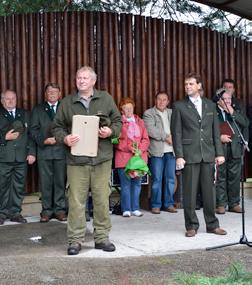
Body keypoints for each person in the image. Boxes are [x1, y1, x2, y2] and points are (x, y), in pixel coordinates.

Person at [52, 66, 121, 255]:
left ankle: (101, 238)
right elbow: (56, 127)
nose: (81, 81)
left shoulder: (105, 99)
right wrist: (64, 138)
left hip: (101, 159)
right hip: (76, 160)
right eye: (78, 78)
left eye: (85, 78)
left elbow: (118, 122)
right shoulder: (66, 103)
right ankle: (75, 240)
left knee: (101, 199)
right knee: (76, 202)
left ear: (93, 81)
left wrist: (110, 132)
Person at [171, 73, 227, 237]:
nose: (187, 86)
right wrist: (179, 155)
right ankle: (191, 225)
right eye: (186, 84)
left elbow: (215, 131)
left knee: (210, 192)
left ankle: (212, 225)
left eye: (191, 84)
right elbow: (176, 133)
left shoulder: (210, 105)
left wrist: (219, 152)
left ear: (199, 86)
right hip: (189, 154)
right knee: (189, 193)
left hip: (208, 154)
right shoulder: (179, 106)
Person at [30, 83, 67, 223]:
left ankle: (60, 210)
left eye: (55, 91)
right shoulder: (38, 109)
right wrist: (44, 140)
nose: (52, 94)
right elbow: (32, 130)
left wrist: (61, 138)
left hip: (61, 151)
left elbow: (70, 126)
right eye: (49, 91)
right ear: (46, 94)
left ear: (59, 94)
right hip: (44, 152)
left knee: (59, 182)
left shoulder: (65, 107)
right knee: (45, 183)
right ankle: (46, 211)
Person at [0, 90, 36, 225]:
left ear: (16, 99)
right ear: (2, 101)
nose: (10, 101)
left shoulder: (25, 114)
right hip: (4, 158)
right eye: (7, 99)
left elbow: (31, 135)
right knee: (2, 186)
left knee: (19, 186)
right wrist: (4, 138)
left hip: (21, 157)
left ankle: (15, 213)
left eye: (13, 98)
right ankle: (2, 213)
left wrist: (32, 152)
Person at [215, 88, 249, 214]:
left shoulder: (236, 110)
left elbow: (245, 123)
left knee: (234, 177)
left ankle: (234, 203)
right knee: (220, 176)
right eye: (225, 99)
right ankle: (221, 204)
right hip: (220, 148)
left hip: (235, 148)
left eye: (230, 99)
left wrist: (232, 112)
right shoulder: (212, 112)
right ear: (219, 101)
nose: (228, 101)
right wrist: (219, 137)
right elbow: (207, 129)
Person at [114, 97, 150, 218]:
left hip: (138, 159)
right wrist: (130, 147)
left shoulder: (140, 121)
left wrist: (140, 149)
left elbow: (146, 139)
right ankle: (126, 209)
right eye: (126, 109)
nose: (129, 110)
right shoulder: (118, 123)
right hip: (124, 158)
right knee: (125, 185)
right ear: (121, 110)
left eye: (130, 108)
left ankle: (135, 208)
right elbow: (115, 141)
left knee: (137, 184)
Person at [143, 92, 177, 214]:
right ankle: (156, 205)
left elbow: (179, 128)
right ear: (155, 100)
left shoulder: (172, 113)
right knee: (157, 179)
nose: (162, 102)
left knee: (170, 179)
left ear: (168, 101)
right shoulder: (148, 113)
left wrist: (175, 138)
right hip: (157, 151)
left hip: (171, 151)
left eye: (164, 100)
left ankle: (168, 203)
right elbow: (151, 130)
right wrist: (166, 137)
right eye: (159, 99)